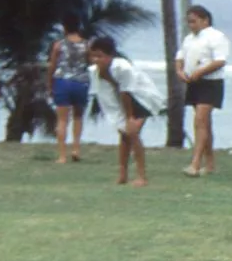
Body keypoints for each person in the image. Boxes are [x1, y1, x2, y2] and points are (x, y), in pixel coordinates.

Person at [87, 36, 166, 188]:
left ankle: (141, 176)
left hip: (140, 99)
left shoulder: (122, 68)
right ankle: (123, 175)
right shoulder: (94, 71)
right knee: (124, 136)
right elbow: (105, 94)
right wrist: (119, 117)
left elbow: (126, 92)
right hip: (120, 101)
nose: (96, 60)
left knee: (132, 134)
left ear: (110, 56)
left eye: (100, 56)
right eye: (93, 56)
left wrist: (129, 117)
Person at [177, 5, 229, 177]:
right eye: (189, 22)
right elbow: (180, 57)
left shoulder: (216, 37)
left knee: (200, 120)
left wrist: (200, 72)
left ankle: (195, 163)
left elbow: (220, 61)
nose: (191, 25)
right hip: (194, 83)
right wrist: (180, 71)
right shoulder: (189, 39)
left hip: (210, 83)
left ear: (205, 20)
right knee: (204, 123)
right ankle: (210, 163)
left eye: (194, 21)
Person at [46, 16, 91, 163]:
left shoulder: (59, 45)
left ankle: (62, 155)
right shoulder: (87, 45)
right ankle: (76, 149)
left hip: (63, 81)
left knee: (62, 120)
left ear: (65, 27)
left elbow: (52, 66)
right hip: (81, 82)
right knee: (78, 117)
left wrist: (49, 84)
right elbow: (90, 64)